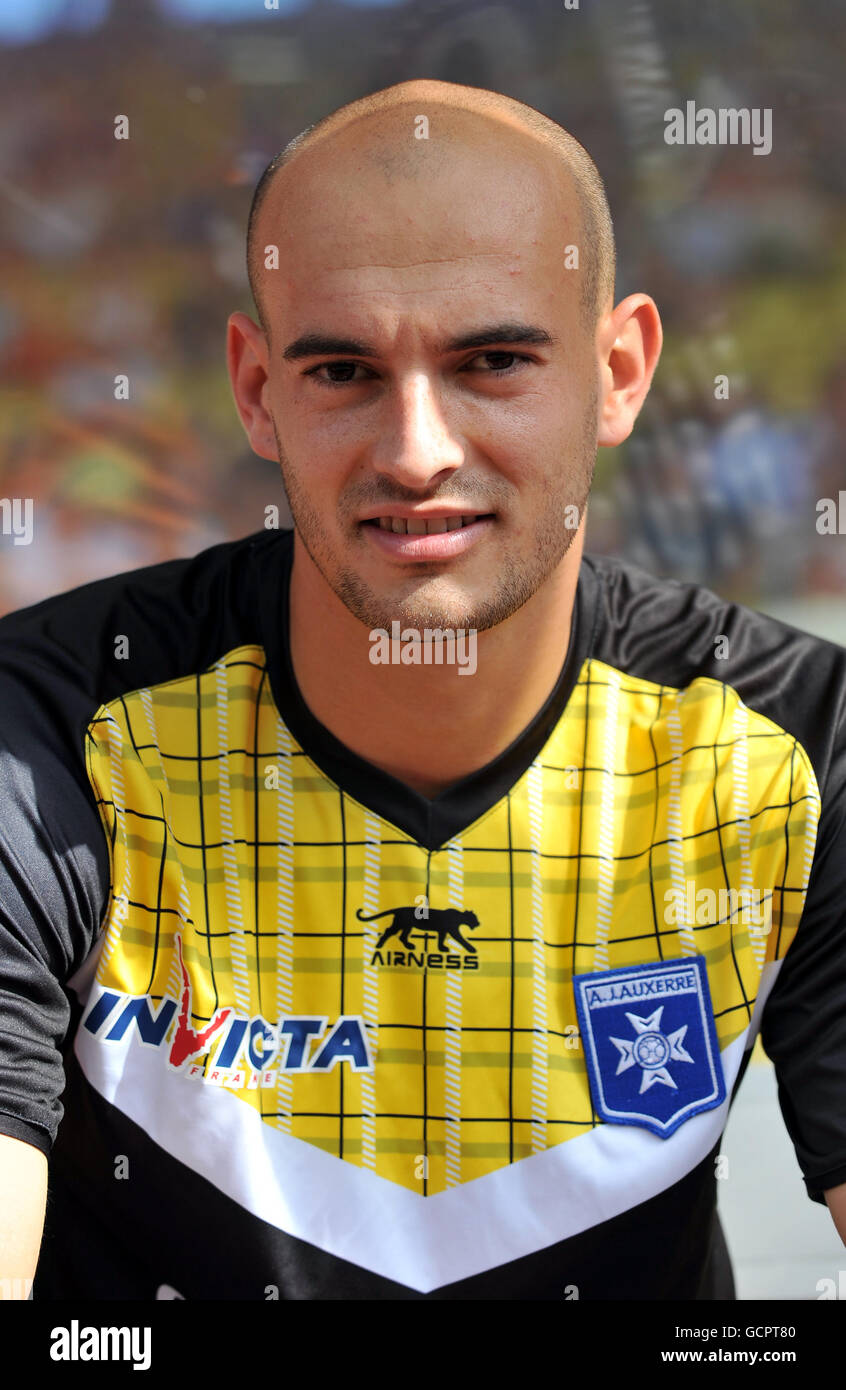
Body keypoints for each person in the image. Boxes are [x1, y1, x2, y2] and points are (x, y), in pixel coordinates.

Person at [1, 79, 844, 1302]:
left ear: (621, 371)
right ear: (256, 390)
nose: (415, 450)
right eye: (342, 369)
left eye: (492, 360)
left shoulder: (799, 748)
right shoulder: (47, 737)